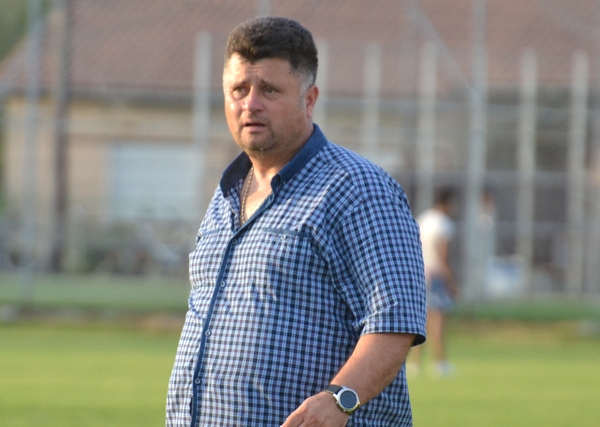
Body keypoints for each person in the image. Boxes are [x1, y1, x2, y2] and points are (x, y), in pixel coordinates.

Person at [166, 16, 426, 427]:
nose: (250, 104)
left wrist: (339, 399)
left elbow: (395, 322)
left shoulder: (358, 189)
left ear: (309, 99)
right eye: (239, 90)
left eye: (269, 90)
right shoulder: (227, 193)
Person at [408, 187, 459, 377]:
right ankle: (440, 363)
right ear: (448, 202)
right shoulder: (444, 224)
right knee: (438, 320)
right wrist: (451, 281)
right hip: (435, 275)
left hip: (419, 273)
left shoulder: (424, 219)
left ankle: (415, 363)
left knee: (419, 322)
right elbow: (441, 254)